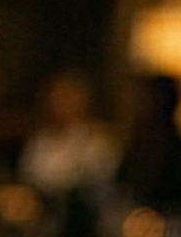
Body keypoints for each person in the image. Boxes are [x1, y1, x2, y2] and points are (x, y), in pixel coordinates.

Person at [20, 68, 120, 197]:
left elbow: (96, 177)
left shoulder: (97, 140)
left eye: (67, 97)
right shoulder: (41, 139)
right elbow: (28, 174)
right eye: (56, 98)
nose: (61, 105)